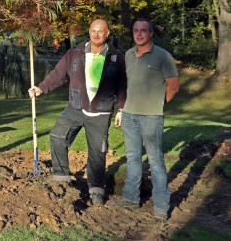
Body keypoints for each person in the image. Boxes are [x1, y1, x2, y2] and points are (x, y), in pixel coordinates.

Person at [28, 19, 127, 205]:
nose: (96, 34)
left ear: (107, 34)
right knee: (57, 136)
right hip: (75, 107)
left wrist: (121, 109)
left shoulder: (116, 57)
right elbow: (58, 74)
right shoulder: (75, 52)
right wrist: (41, 88)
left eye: (100, 31)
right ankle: (61, 180)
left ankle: (96, 190)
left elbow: (123, 86)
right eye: (93, 31)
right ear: (89, 32)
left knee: (97, 152)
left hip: (101, 112)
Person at [110, 19, 179, 220]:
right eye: (136, 31)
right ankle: (131, 199)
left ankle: (161, 206)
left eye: (143, 31)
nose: (139, 34)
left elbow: (173, 86)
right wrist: (122, 110)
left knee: (156, 161)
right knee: (132, 158)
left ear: (151, 33)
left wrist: (157, 104)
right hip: (129, 115)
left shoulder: (163, 56)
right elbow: (125, 86)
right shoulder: (128, 56)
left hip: (151, 117)